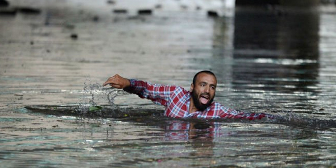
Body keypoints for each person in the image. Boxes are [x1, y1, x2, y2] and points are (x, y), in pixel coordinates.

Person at [103, 71, 273, 120]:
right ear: (192, 87)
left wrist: (275, 119)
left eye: (212, 87)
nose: (207, 90)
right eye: (203, 85)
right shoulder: (175, 95)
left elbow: (245, 117)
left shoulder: (217, 111)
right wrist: (127, 83)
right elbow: (147, 89)